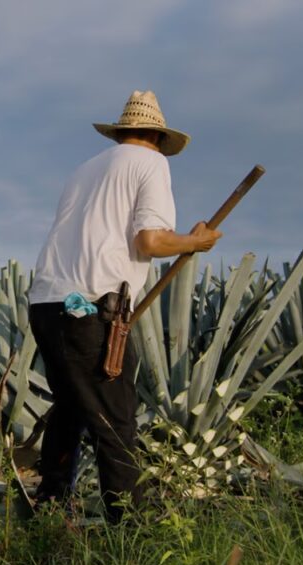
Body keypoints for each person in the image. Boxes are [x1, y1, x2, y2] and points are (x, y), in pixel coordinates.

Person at [27, 90, 222, 524]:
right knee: (115, 421)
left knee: (72, 406)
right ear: (156, 135)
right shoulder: (151, 163)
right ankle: (130, 529)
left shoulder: (84, 170)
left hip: (46, 302)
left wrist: (187, 240)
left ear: (122, 133)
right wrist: (196, 242)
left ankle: (52, 506)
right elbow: (150, 241)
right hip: (93, 307)